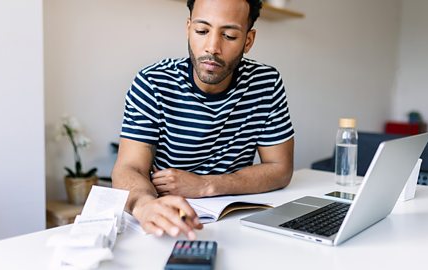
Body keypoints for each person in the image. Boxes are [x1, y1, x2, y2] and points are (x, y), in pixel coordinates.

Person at [112, 0, 295, 240]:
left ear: (248, 41)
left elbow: (280, 169)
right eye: (201, 31)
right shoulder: (152, 83)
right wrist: (144, 205)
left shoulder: (266, 83)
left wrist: (206, 185)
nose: (212, 47)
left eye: (229, 36)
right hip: (166, 223)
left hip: (235, 222)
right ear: (188, 29)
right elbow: (128, 167)